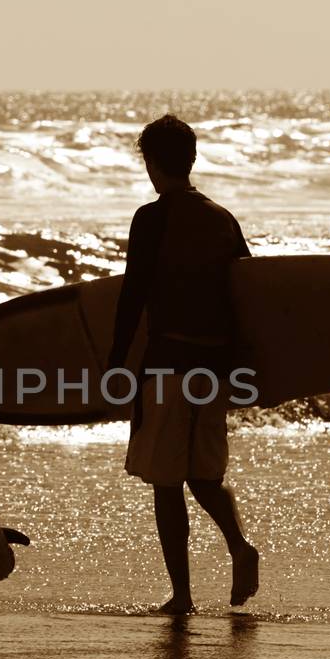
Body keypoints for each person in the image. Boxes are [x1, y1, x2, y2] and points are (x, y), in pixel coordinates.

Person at [106, 115, 260, 615]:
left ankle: (183, 596)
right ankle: (239, 546)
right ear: (191, 160)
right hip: (213, 368)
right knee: (204, 477)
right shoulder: (221, 218)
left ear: (150, 162)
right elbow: (247, 292)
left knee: (167, 482)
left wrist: (115, 362)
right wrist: (248, 366)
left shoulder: (150, 219)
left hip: (169, 365)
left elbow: (133, 297)